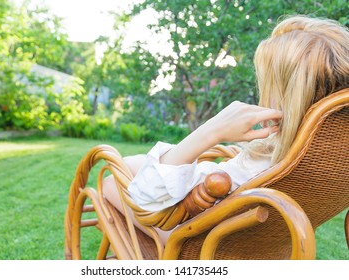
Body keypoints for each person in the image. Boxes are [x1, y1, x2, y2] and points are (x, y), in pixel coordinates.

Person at [102, 15, 349, 242]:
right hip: (265, 242)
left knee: (111, 182)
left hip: (195, 242)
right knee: (134, 162)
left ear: (289, 96)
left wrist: (212, 130)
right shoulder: (326, 157)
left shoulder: (262, 169)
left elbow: (147, 197)